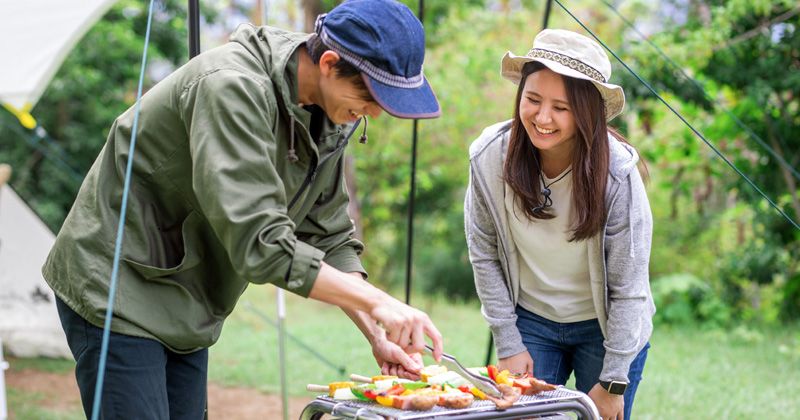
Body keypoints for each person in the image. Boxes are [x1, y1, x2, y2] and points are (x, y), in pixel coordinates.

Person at [42, 0, 443, 417]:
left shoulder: (330, 112)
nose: (376, 112)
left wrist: (376, 331)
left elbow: (329, 236)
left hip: (189, 301)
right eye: (371, 95)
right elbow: (262, 246)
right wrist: (377, 300)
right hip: (117, 283)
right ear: (328, 62)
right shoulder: (230, 87)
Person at [464, 29, 655, 420]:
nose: (542, 117)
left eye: (562, 108)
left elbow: (630, 287)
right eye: (532, 100)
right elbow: (483, 253)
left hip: (605, 333)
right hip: (531, 321)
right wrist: (508, 341)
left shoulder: (617, 174)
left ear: (586, 112)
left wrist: (614, 380)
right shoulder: (489, 157)